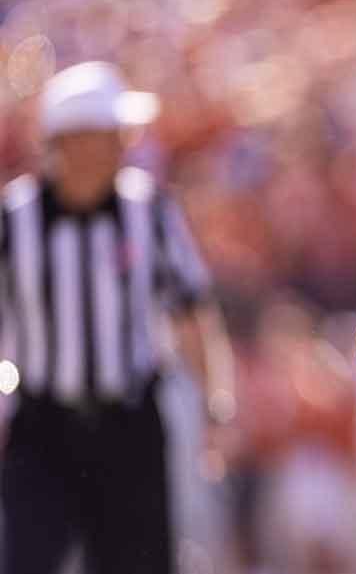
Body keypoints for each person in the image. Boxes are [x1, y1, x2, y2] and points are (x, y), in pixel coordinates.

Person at [0, 62, 235, 574]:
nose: (124, 144)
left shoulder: (148, 209)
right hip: (42, 427)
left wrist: (214, 406)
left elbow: (191, 312)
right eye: (111, 134)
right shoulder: (13, 219)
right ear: (73, 142)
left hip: (130, 425)